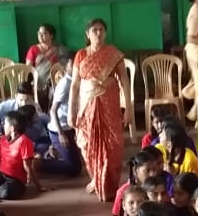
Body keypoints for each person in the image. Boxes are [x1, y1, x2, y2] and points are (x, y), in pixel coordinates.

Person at [69, 18, 131, 203]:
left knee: (113, 144)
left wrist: (128, 108)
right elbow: (75, 85)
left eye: (101, 29)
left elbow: (124, 81)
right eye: (94, 30)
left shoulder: (113, 53)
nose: (98, 33)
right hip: (87, 106)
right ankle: (96, 178)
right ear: (87, 34)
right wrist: (71, 111)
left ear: (105, 33)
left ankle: (109, 183)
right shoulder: (81, 55)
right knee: (87, 143)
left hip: (109, 104)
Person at [25, 24, 71, 90]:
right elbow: (28, 69)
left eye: (44, 33)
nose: (40, 35)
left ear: (51, 35)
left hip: (56, 82)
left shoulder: (59, 50)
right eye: (39, 33)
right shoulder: (33, 49)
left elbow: (66, 64)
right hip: (39, 83)